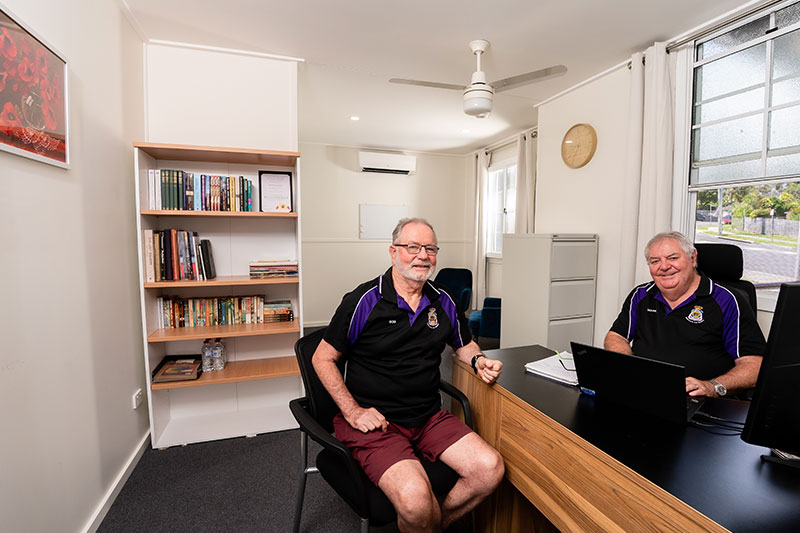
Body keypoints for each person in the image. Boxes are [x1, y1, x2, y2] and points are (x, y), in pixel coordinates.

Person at [312, 217, 504, 532]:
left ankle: (430, 524)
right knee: (415, 500)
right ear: (393, 252)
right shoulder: (362, 301)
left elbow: (463, 344)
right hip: (377, 423)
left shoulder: (444, 301)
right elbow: (322, 358)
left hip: (428, 416)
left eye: (430, 249)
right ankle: (422, 522)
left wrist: (479, 360)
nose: (422, 255)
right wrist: (353, 411)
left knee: (490, 469)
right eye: (412, 247)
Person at [605, 231, 766, 398]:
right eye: (655, 261)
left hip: (700, 400)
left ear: (693, 258)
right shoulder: (640, 295)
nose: (664, 266)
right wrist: (629, 368)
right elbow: (615, 336)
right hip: (644, 392)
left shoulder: (728, 300)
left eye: (673, 258)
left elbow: (755, 364)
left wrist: (712, 386)